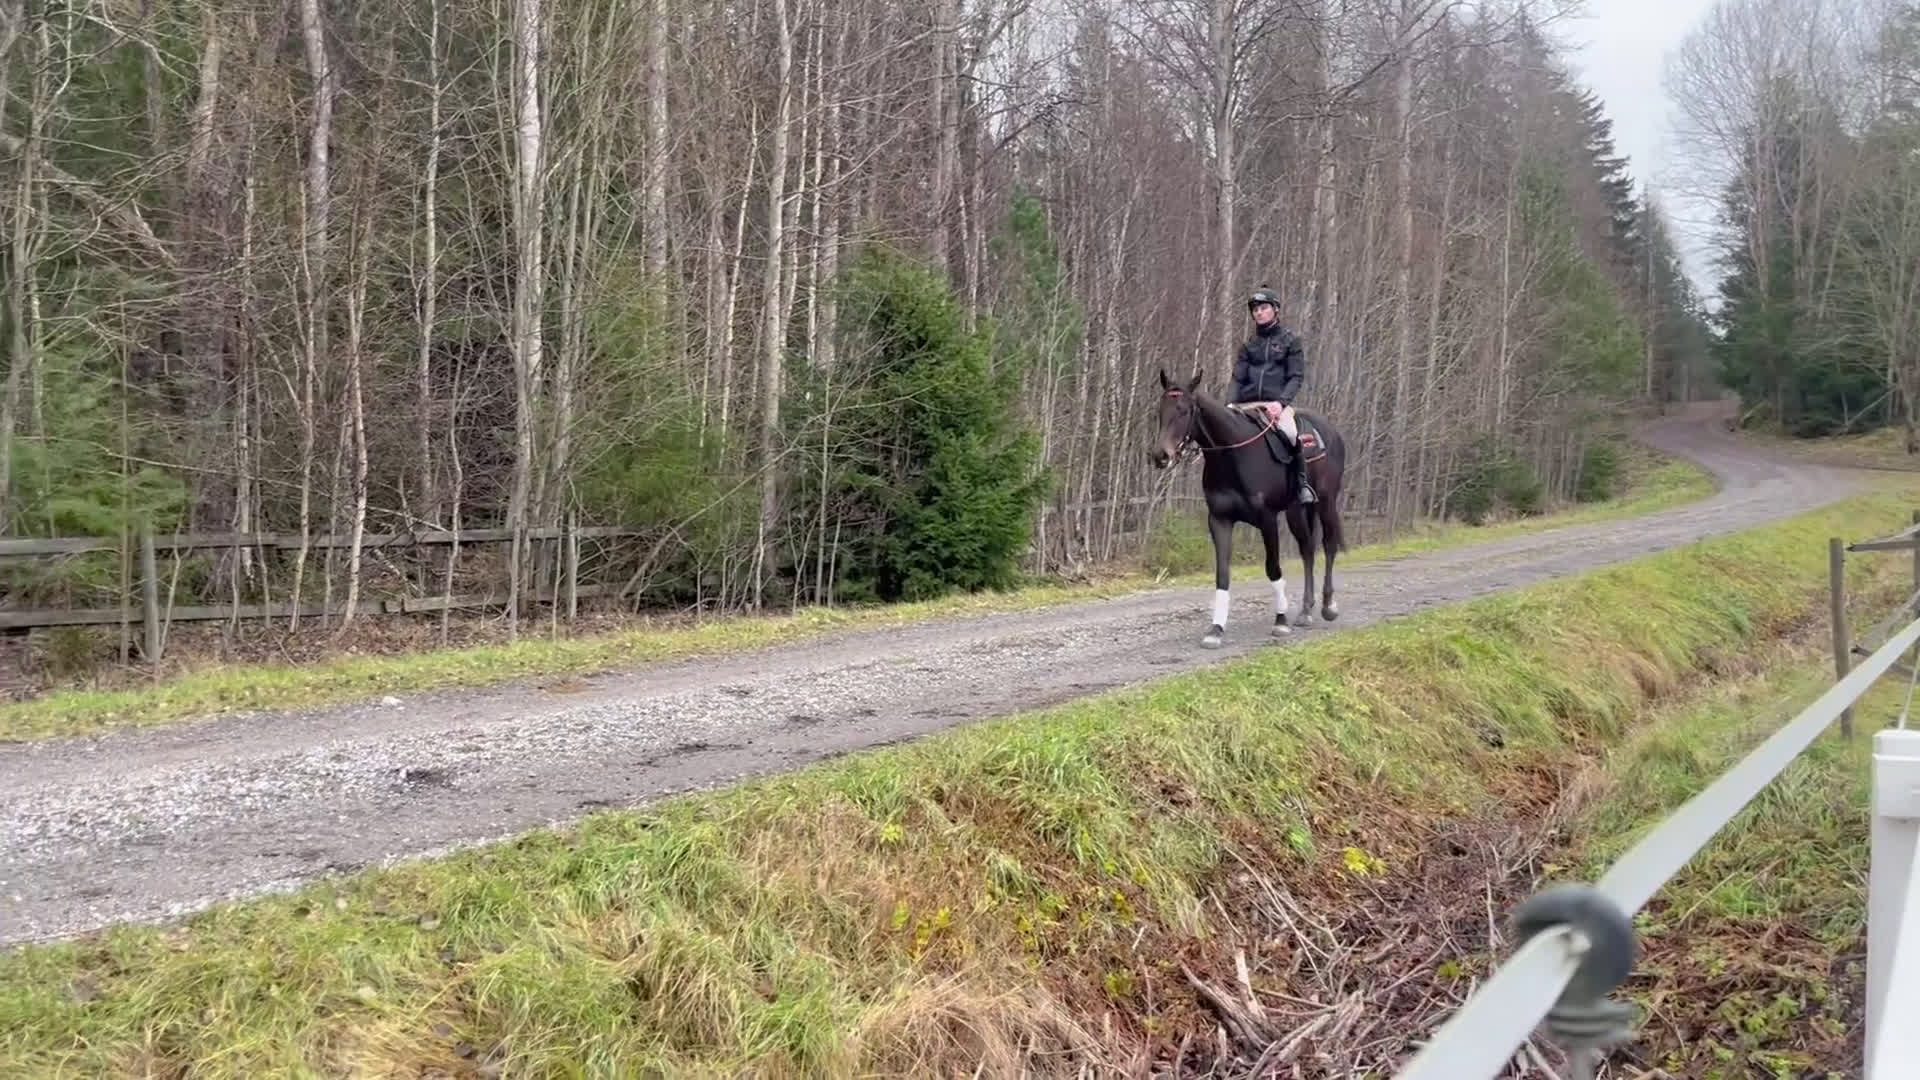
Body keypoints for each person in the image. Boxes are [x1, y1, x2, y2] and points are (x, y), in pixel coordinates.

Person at [1229, 286, 1315, 504]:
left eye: (1263, 307)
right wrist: (1229, 404)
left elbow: (1296, 377)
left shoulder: (1290, 341)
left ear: (1275, 310)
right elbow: (1237, 378)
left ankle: (1301, 485)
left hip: (1276, 404)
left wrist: (1280, 403)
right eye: (1255, 309)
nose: (1258, 312)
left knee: (1290, 434)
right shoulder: (1248, 345)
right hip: (1246, 405)